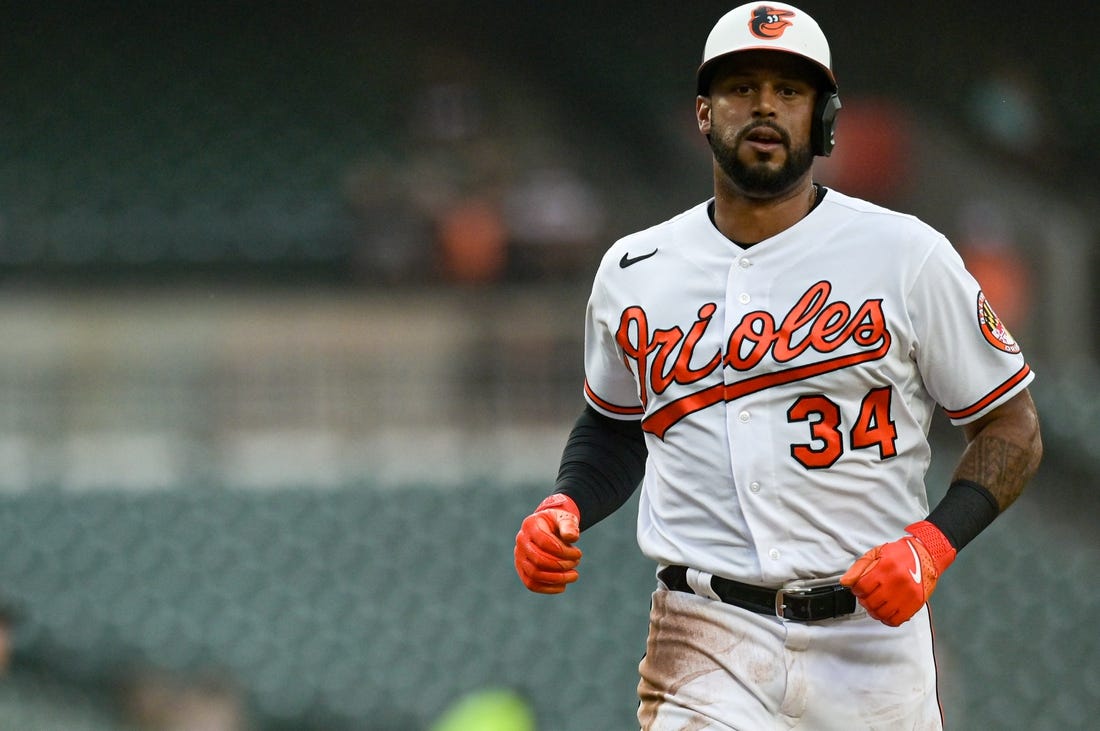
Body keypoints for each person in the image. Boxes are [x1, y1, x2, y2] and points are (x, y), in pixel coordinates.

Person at [512, 4, 1043, 729]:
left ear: (825, 118)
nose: (764, 104)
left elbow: (1013, 425)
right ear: (703, 112)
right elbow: (614, 425)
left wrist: (932, 543)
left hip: (873, 643)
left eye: (790, 90)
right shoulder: (635, 268)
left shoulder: (906, 255)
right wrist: (566, 502)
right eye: (740, 87)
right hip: (705, 634)